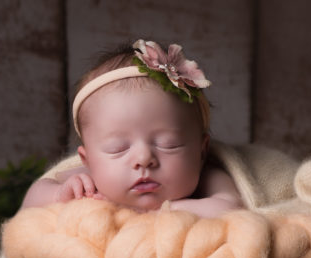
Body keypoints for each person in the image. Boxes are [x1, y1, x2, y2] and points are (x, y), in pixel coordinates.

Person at [21, 39, 243, 218]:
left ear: (201, 152)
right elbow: (31, 205)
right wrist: (62, 193)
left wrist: (152, 213)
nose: (144, 159)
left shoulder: (208, 177)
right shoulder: (90, 182)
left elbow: (231, 211)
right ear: (88, 160)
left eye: (169, 144)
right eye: (117, 148)